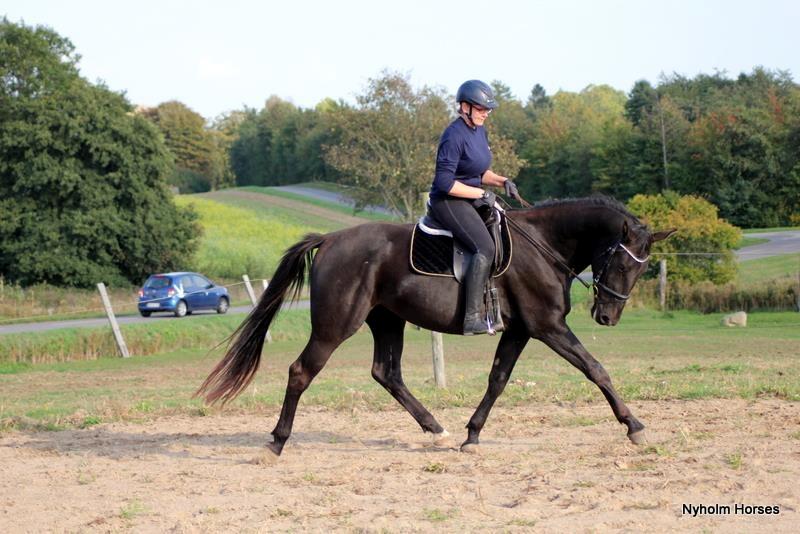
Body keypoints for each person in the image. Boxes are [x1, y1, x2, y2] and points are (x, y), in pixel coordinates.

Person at [428, 79, 520, 335]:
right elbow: (445, 182)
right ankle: (471, 318)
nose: (486, 113)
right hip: (448, 201)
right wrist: (481, 193)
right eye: (481, 108)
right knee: (485, 246)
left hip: (469, 197)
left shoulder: (479, 131)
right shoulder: (453, 135)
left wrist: (502, 181)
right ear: (465, 107)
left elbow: (478, 171)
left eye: (487, 109)